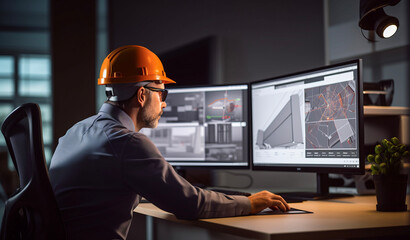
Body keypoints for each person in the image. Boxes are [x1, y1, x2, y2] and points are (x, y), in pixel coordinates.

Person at [49, 45, 290, 240]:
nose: (164, 103)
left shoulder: (73, 132)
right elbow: (190, 204)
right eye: (162, 93)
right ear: (142, 95)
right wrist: (249, 203)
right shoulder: (127, 142)